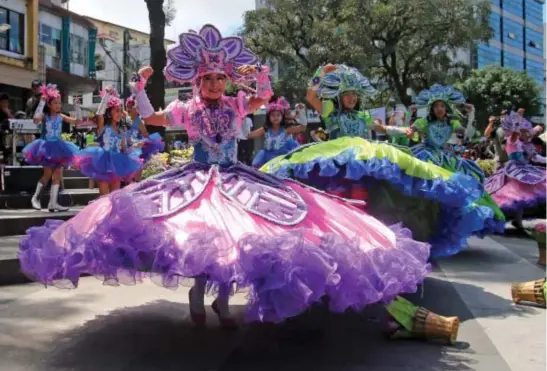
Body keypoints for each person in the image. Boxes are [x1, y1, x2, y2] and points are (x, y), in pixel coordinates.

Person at [18, 26, 458, 343]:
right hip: (193, 181)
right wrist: (139, 87)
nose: (213, 83)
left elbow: (265, 100)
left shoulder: (238, 103)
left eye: (219, 77)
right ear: (196, 81)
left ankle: (221, 302)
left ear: (227, 79)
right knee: (195, 239)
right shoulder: (186, 109)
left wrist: (263, 77)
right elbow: (151, 117)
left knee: (239, 240)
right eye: (206, 78)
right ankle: (197, 295)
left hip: (236, 181)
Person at [262, 63, 505, 258]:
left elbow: (382, 127)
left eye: (355, 95)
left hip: (363, 156)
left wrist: (403, 132)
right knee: (331, 195)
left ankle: (368, 237)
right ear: (340, 97)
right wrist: (320, 72)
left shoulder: (363, 115)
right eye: (347, 95)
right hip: (336, 155)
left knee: (369, 195)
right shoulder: (330, 112)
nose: (352, 99)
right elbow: (310, 95)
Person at [23, 84, 80, 211]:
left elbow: (76, 121)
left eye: (60, 103)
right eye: (55, 103)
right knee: (47, 173)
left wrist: (77, 106)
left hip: (58, 147)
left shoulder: (61, 116)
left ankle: (52, 203)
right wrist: (41, 102)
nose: (59, 105)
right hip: (46, 147)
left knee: (58, 173)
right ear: (49, 104)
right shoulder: (45, 116)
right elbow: (35, 120)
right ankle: (35, 198)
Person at [76, 87, 142, 195]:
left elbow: (125, 149)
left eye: (121, 111)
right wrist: (106, 95)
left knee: (115, 196)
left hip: (116, 164)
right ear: (109, 112)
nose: (120, 114)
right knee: (103, 197)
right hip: (103, 163)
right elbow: (99, 114)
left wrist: (136, 145)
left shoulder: (121, 131)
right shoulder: (103, 127)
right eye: (116, 111)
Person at [485, 112, 546, 229]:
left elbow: (536, 157)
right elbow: (514, 133)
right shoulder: (511, 140)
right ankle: (493, 218)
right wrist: (518, 117)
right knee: (505, 196)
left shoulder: (525, 144)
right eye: (524, 131)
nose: (527, 134)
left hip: (523, 171)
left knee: (521, 197)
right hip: (512, 171)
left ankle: (517, 221)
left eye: (527, 132)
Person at [250, 96, 304, 168]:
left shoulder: (286, 129)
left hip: (281, 160)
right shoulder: (265, 129)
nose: (275, 117)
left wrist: (302, 112)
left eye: (278, 115)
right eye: (272, 115)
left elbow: (302, 127)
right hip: (267, 160)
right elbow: (249, 135)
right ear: (269, 117)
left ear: (282, 117)